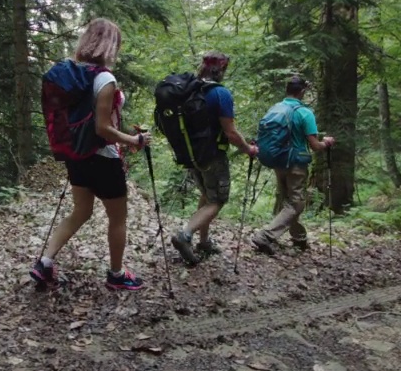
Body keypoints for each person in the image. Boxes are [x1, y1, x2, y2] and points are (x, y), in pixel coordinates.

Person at [30, 18, 150, 291]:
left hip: (76, 155)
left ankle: (45, 263)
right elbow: (104, 129)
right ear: (111, 45)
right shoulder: (104, 78)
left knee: (81, 211)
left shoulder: (71, 75)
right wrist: (134, 140)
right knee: (118, 218)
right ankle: (117, 274)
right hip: (103, 158)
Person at [169, 52, 259, 266]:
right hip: (213, 155)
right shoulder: (220, 94)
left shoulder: (189, 90)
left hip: (192, 154)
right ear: (221, 70)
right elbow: (231, 133)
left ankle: (204, 242)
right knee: (217, 200)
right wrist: (248, 149)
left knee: (207, 196)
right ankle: (185, 235)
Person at [251, 74, 335, 255]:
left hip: (278, 161)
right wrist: (326, 143)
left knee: (288, 201)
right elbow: (314, 145)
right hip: (296, 163)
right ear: (302, 92)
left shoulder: (275, 108)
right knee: (296, 204)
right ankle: (265, 236)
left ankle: (299, 239)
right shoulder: (304, 113)